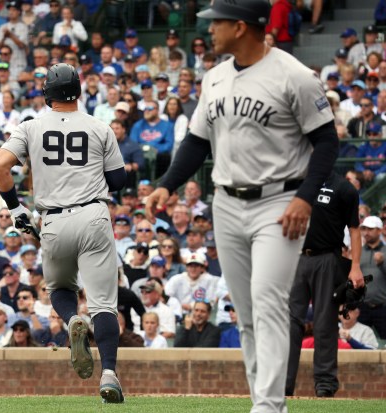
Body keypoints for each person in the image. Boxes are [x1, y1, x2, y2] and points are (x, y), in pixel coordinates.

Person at [145, 1, 338, 411]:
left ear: (240, 26)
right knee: (246, 314)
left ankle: (267, 406)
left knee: (268, 303)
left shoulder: (294, 75)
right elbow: (197, 142)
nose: (208, 31)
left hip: (280, 201)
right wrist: (167, 185)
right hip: (227, 203)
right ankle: (265, 401)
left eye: (216, 23)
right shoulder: (214, 77)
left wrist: (305, 197)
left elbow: (327, 141)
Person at [0, 63, 127, 403]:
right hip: (94, 214)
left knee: (60, 290)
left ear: (46, 93)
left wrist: (16, 208)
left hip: (53, 219)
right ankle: (109, 374)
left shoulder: (31, 127)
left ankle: (70, 320)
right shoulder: (99, 126)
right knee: (104, 303)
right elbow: (118, 181)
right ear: (78, 91)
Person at [286, 171, 363, 398]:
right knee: (289, 323)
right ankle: (283, 382)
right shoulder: (294, 182)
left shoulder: (343, 188)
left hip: (327, 257)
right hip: (295, 255)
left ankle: (325, 383)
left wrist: (355, 265)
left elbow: (355, 229)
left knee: (325, 322)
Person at [358, 216, 386, 348]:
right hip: (362, 306)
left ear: (379, 231)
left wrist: (382, 264)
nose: (366, 232)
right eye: (364, 229)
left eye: (370, 229)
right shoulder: (358, 251)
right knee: (359, 341)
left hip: (382, 306)